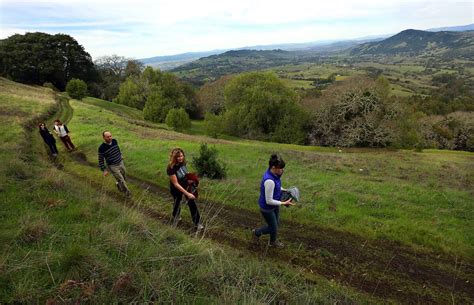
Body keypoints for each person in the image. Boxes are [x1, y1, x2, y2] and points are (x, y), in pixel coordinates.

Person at [252, 154, 294, 248]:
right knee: (273, 227)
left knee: (276, 225)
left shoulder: (274, 174)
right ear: (273, 167)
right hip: (267, 208)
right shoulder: (269, 181)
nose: (282, 170)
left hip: (275, 205)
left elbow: (277, 187)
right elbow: (269, 200)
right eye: (280, 168)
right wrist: (284, 203)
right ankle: (256, 232)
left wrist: (285, 190)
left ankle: (272, 242)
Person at [166, 148, 203, 230]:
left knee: (192, 202)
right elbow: (176, 184)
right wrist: (187, 194)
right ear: (174, 157)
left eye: (182, 156)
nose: (180, 158)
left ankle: (197, 223)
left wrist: (192, 178)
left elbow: (185, 173)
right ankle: (176, 217)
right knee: (177, 202)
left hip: (186, 185)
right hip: (176, 188)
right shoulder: (171, 168)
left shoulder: (183, 163)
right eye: (178, 157)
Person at [98, 131, 131, 197]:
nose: (110, 138)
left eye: (110, 136)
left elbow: (118, 149)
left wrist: (120, 155)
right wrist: (104, 170)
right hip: (113, 166)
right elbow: (100, 160)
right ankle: (127, 193)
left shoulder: (114, 141)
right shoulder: (101, 148)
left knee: (124, 177)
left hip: (120, 162)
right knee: (121, 179)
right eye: (108, 137)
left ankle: (118, 184)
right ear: (104, 137)